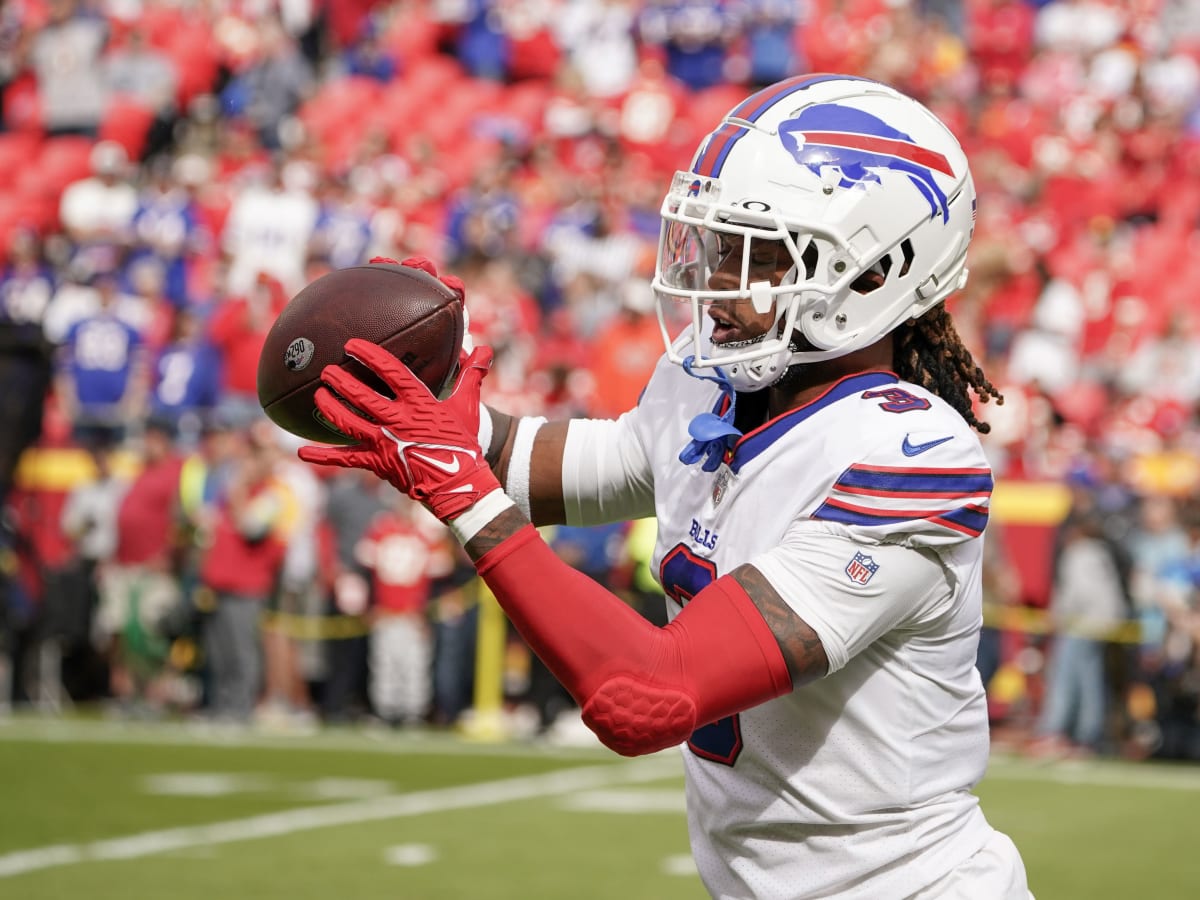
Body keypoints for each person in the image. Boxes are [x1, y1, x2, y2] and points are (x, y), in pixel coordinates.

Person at [299, 75, 1033, 899]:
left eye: (756, 253)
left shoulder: (908, 455)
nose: (716, 279)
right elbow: (565, 465)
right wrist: (425, 400)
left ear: (873, 273)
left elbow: (645, 694)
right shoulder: (710, 384)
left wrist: (461, 492)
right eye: (716, 243)